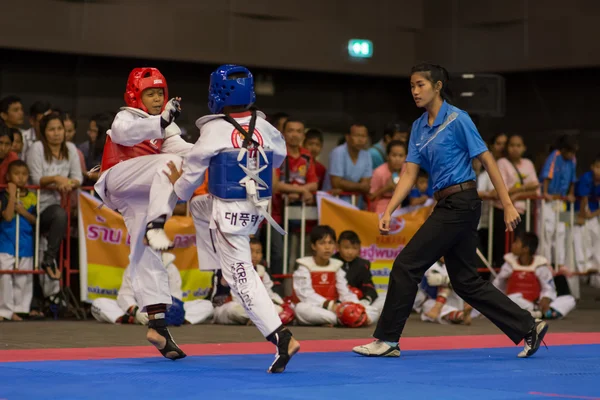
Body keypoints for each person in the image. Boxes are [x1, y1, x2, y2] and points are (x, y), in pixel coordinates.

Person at [352, 63, 544, 359]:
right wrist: (389, 210)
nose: (414, 91)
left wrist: (506, 203)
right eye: (412, 86)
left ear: (437, 86)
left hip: (461, 202)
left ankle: (387, 339)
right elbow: (409, 173)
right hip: (448, 203)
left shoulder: (458, 119)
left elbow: (488, 159)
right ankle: (528, 326)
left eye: (420, 85)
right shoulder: (417, 126)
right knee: (465, 281)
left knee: (406, 265)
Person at [162, 64, 300, 373]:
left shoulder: (213, 129)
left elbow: (187, 184)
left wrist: (176, 182)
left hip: (230, 214)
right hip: (256, 207)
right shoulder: (264, 125)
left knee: (242, 279)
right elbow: (278, 158)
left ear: (216, 93)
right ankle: (216, 265)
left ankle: (282, 338)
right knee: (200, 206)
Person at [93, 67, 192, 360]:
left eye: (160, 93)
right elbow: (125, 134)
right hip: (118, 179)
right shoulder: (127, 117)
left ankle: (157, 326)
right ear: (136, 95)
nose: (157, 98)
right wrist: (160, 122)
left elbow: (188, 151)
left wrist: (222, 149)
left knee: (145, 254)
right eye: (150, 93)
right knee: (168, 162)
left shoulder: (166, 127)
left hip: (139, 191)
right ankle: (158, 223)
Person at [27, 112, 83, 280]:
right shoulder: (37, 148)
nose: (57, 133)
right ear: (43, 132)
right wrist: (56, 179)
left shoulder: (71, 149)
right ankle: (48, 261)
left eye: (60, 129)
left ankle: (50, 259)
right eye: (51, 129)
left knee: (60, 213)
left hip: (58, 208)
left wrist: (67, 183)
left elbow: (78, 178)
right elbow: (36, 179)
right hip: (35, 207)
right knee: (59, 214)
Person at [92, 253, 214, 325]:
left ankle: (176, 320)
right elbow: (125, 294)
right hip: (139, 310)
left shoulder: (170, 268)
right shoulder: (134, 267)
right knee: (99, 304)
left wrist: (161, 312)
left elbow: (175, 298)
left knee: (206, 305)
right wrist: (136, 312)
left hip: (164, 311)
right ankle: (131, 319)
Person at [292, 225, 378, 326]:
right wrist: (331, 305)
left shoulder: (336, 266)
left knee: (373, 311)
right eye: (322, 243)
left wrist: (356, 307)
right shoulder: (304, 266)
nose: (327, 247)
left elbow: (344, 292)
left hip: (336, 309)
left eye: (330, 243)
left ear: (335, 246)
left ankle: (355, 318)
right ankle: (345, 320)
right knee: (300, 309)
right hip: (319, 308)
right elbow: (305, 295)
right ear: (313, 246)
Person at [211, 238, 294, 326]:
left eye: (258, 252)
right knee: (233, 309)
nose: (254, 255)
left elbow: (269, 294)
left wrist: (282, 305)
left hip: (253, 308)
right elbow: (235, 298)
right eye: (250, 251)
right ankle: (260, 319)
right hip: (229, 308)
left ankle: (256, 320)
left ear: (262, 255)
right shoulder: (230, 268)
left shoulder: (261, 270)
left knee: (277, 309)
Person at [493, 232, 576, 320]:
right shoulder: (509, 265)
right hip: (515, 302)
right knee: (512, 298)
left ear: (525, 249)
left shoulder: (540, 266)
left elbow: (548, 288)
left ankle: (537, 312)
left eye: (516, 242)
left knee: (569, 300)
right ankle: (542, 314)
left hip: (534, 303)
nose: (513, 245)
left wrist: (545, 298)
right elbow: (497, 285)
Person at [493, 134, 540, 266]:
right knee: (502, 247)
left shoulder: (528, 164)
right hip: (503, 212)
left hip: (521, 212)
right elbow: (502, 190)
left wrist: (517, 194)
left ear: (524, 148)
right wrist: (525, 187)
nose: (515, 149)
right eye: (512, 145)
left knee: (519, 248)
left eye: (518, 145)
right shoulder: (502, 163)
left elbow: (536, 190)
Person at [0, 160, 37, 321]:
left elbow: (35, 220)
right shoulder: (3, 195)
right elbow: (7, 216)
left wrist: (22, 211)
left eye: (24, 174)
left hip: (25, 242)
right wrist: (13, 196)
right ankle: (5, 310)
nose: (20, 178)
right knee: (5, 276)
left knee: (23, 278)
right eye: (16, 174)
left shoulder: (33, 196)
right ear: (8, 176)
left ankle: (21, 309)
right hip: (6, 241)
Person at [539, 135, 577, 270]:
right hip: (548, 200)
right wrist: (545, 193)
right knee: (547, 231)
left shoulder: (572, 159)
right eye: (570, 152)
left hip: (561, 201)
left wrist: (571, 194)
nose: (572, 155)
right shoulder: (555, 156)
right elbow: (547, 174)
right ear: (563, 149)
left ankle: (560, 263)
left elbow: (573, 178)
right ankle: (546, 262)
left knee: (560, 231)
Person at [333, 230, 381, 311]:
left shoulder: (363, 264)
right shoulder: (331, 262)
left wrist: (365, 300)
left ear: (359, 249)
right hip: (336, 301)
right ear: (338, 247)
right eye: (346, 247)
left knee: (385, 298)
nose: (350, 252)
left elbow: (369, 287)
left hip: (358, 301)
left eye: (354, 248)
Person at [573, 155, 600, 274]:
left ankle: (597, 267)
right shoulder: (586, 178)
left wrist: (593, 214)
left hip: (593, 212)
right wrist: (583, 215)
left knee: (596, 236)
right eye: (598, 167)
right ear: (592, 167)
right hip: (577, 211)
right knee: (580, 238)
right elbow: (583, 198)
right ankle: (583, 267)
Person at [369, 140, 407, 214]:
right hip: (379, 208)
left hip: (399, 207)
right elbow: (370, 197)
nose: (397, 159)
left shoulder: (407, 170)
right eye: (394, 155)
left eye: (401, 156)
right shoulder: (378, 172)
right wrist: (387, 188)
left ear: (405, 157)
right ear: (388, 156)